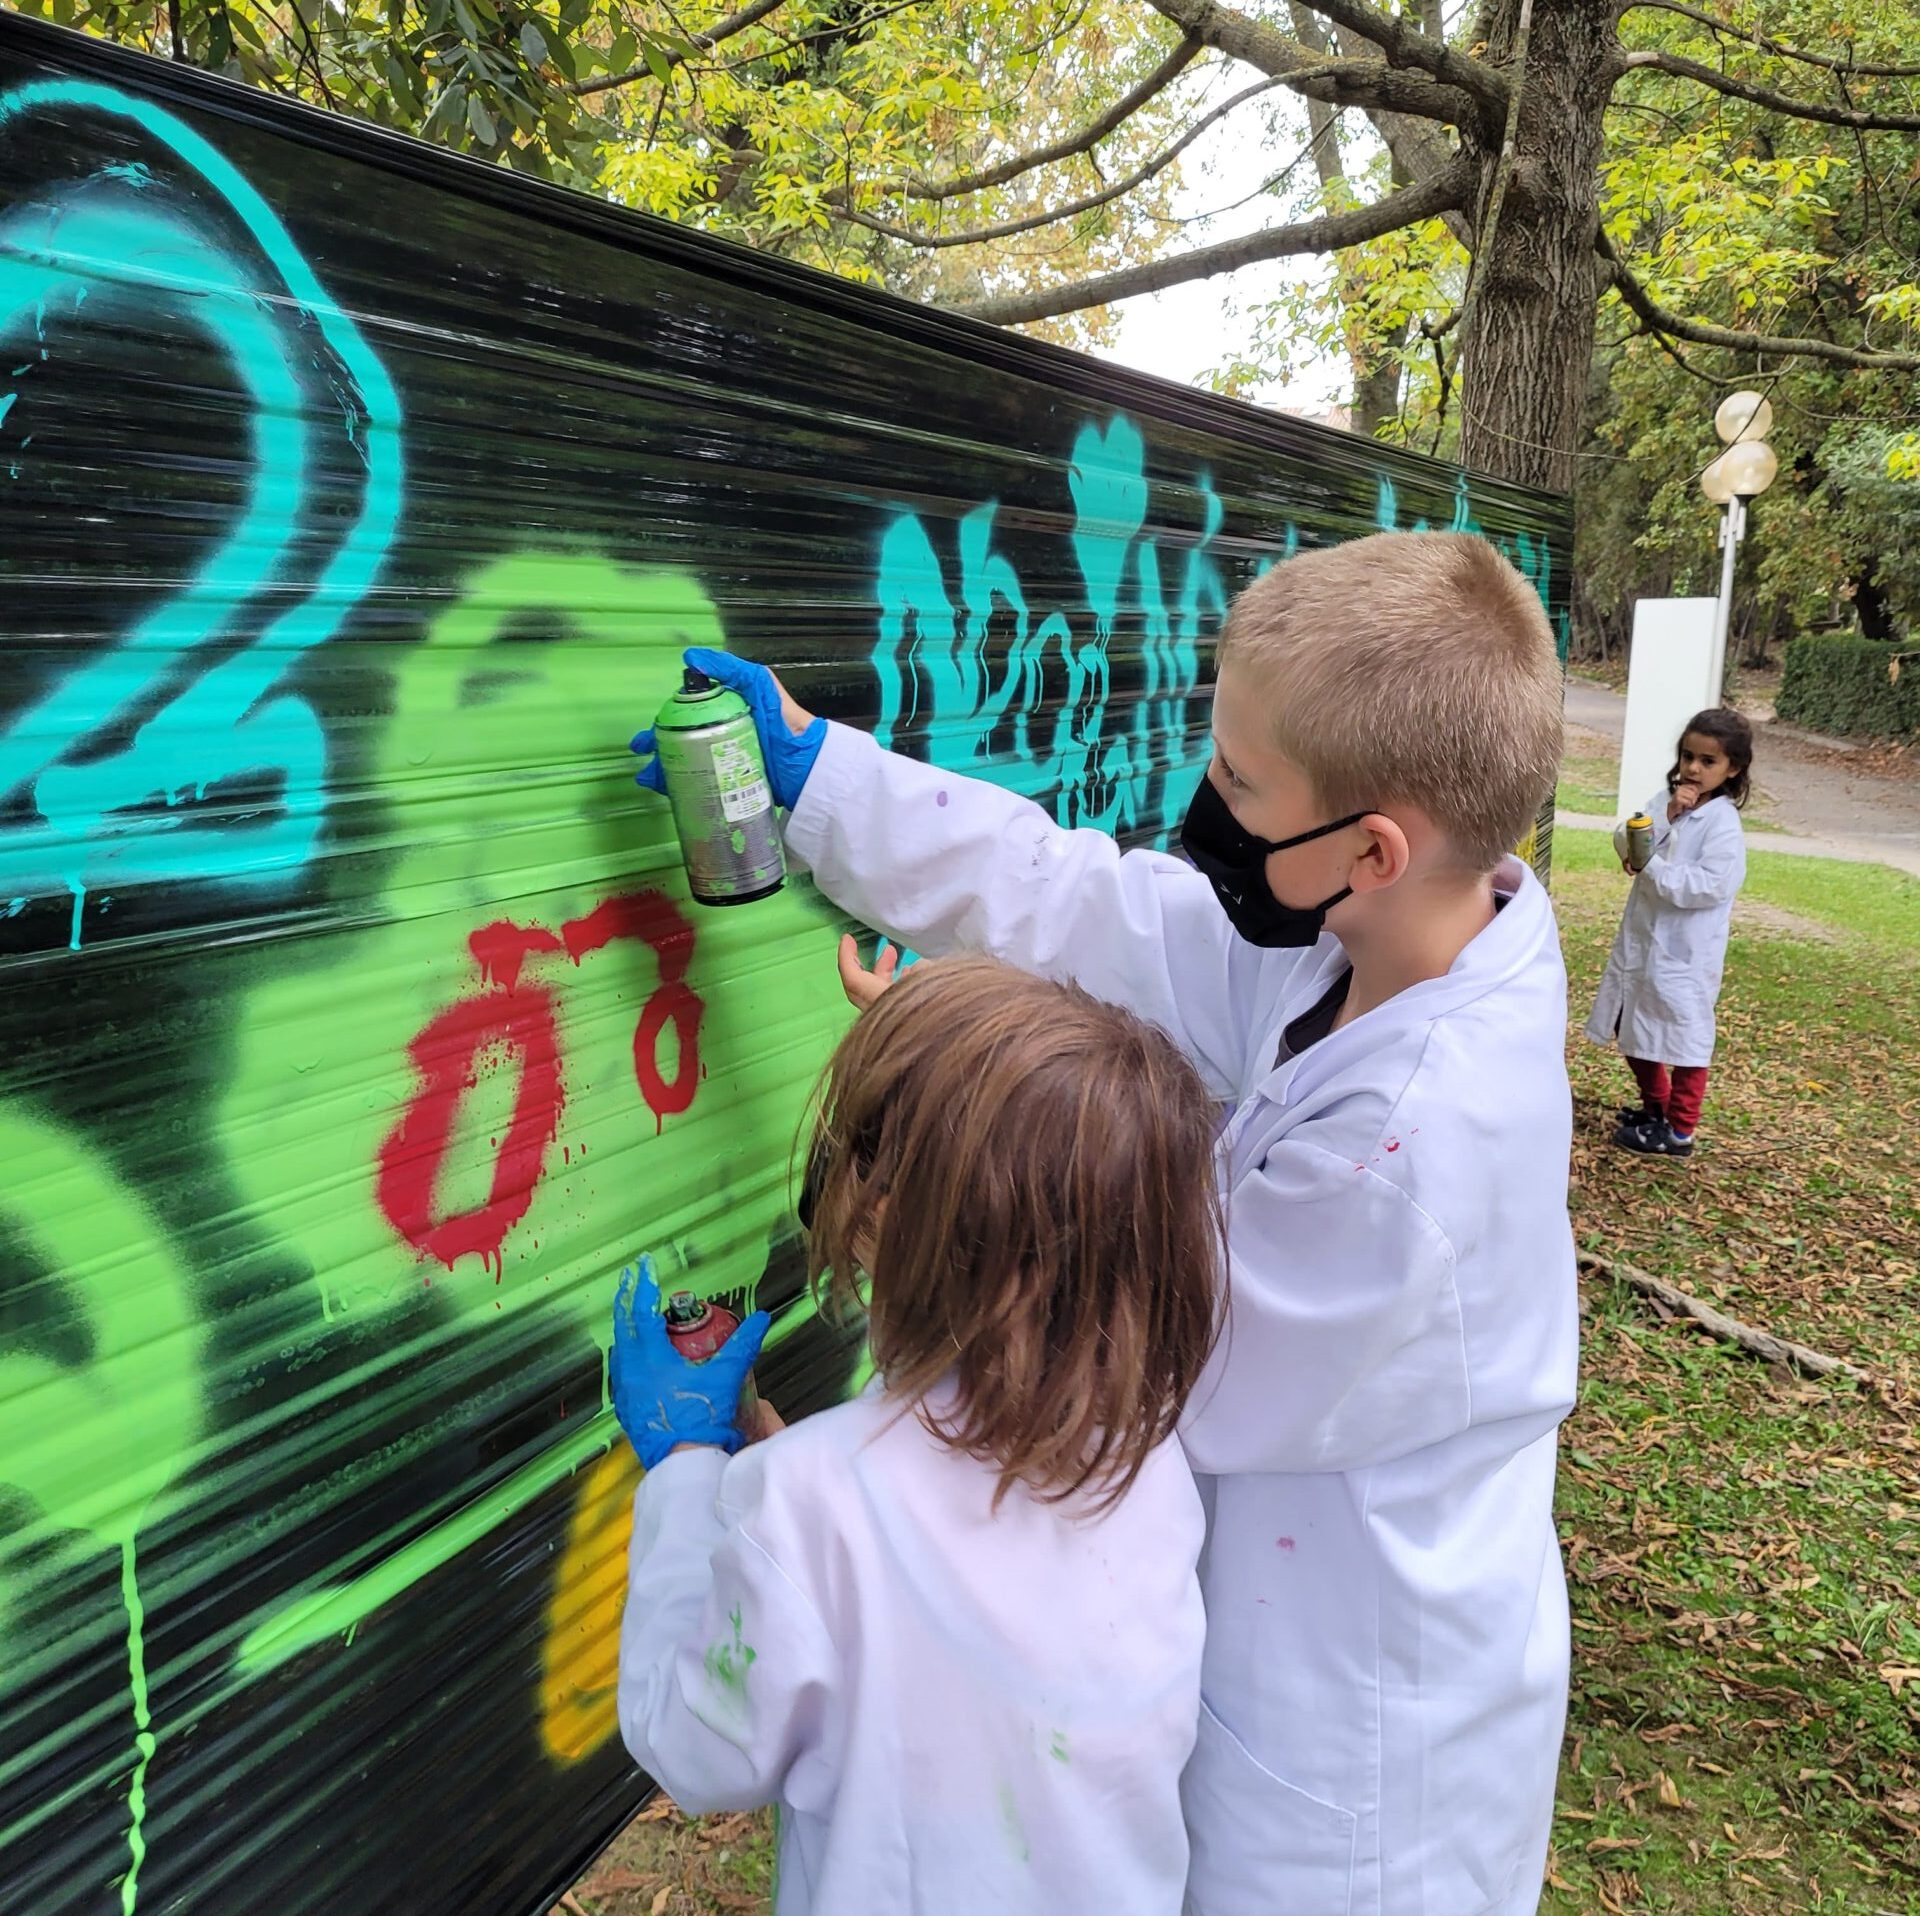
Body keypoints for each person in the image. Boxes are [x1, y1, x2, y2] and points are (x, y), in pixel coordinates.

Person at [632, 529, 1581, 1916]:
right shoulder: (1367, 935)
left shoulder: (1410, 1160)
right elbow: (1089, 908)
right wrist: (825, 772)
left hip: (1348, 1744)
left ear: (1373, 846)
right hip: (1234, 1627)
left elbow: (1123, 1326)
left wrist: (967, 1094)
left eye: (1242, 787)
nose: (1210, 811)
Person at [612, 957, 1224, 1916]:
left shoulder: (812, 1505)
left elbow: (699, 1749)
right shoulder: (1144, 1450)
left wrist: (688, 1468)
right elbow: (931, 1551)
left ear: (894, 1216)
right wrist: (784, 1459)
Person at [1587, 707, 1752, 1160]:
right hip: (1643, 942)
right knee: (1631, 1022)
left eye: (1707, 761)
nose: (1693, 769)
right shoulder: (1668, 801)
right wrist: (1662, 823)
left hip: (1683, 953)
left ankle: (1679, 1131)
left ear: (1732, 768)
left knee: (1684, 1036)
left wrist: (1651, 866)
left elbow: (1708, 886)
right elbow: (1629, 835)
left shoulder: (1722, 825)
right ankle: (1655, 1109)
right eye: (1687, 756)